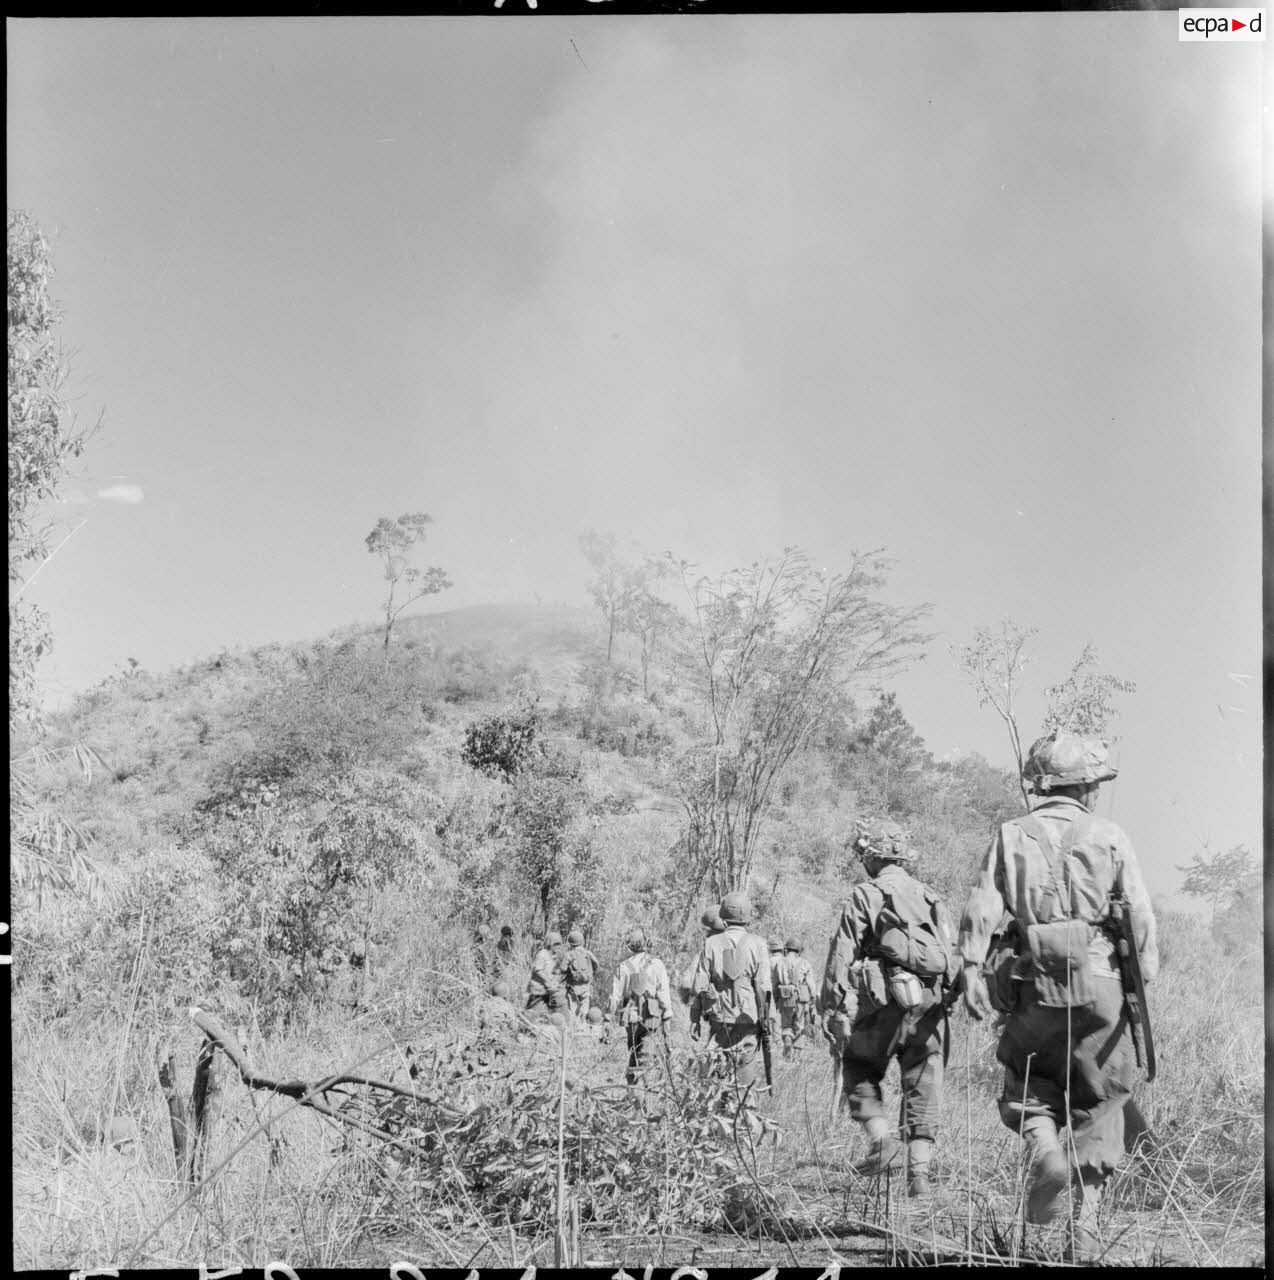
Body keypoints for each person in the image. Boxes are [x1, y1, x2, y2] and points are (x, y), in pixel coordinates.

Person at [959, 731, 1158, 1260]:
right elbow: (1138, 918)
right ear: (1088, 786)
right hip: (1101, 983)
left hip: (1032, 984)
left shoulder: (1010, 834)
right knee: (1102, 1102)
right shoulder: (1110, 834)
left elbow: (982, 907)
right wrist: (1140, 982)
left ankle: (1046, 1150)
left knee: (1029, 1081)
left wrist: (972, 971)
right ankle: (1084, 1235)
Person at [819, 818, 956, 1198]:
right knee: (923, 1085)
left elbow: (841, 954)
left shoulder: (865, 894)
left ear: (871, 857)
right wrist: (947, 1002)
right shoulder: (930, 895)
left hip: (881, 1002)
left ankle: (882, 1142)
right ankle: (920, 1180)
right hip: (929, 1005)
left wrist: (834, 1008)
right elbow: (951, 955)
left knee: (859, 1068)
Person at [686, 891, 772, 1094]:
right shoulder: (758, 944)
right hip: (749, 1021)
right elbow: (761, 987)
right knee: (743, 1085)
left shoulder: (711, 943)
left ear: (723, 916)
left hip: (719, 1019)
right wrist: (764, 1020)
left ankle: (716, 1119)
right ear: (747, 917)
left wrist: (695, 1019)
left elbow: (700, 984)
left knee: (715, 1082)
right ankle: (741, 1121)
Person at [609, 928, 673, 1086]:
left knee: (633, 1052)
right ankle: (642, 1097)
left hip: (630, 1018)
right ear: (647, 943)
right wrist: (667, 1017)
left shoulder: (623, 966)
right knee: (645, 1056)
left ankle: (632, 1090)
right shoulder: (656, 964)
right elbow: (663, 993)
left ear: (629, 946)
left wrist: (608, 1019)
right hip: (650, 1017)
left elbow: (614, 996)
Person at [774, 936, 817, 1059]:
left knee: (786, 1025)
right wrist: (813, 999)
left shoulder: (780, 962)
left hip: (785, 997)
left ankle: (787, 1040)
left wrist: (776, 998)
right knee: (800, 1025)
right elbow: (811, 984)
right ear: (799, 950)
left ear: (787, 949)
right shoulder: (804, 963)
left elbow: (775, 983)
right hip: (801, 1000)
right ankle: (797, 1057)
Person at [525, 931, 568, 1015]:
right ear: (549, 944)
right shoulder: (542, 954)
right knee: (532, 1011)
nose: (558, 947)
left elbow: (552, 970)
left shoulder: (554, 955)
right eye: (556, 944)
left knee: (555, 1010)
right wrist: (548, 982)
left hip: (548, 989)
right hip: (538, 989)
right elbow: (538, 970)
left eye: (559, 944)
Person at [563, 928, 599, 1016]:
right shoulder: (588, 953)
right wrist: (591, 975)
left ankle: (572, 1027)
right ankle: (583, 1026)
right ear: (582, 941)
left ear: (570, 942)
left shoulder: (568, 955)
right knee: (584, 1007)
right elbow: (596, 965)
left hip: (573, 986)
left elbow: (562, 969)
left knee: (571, 1007)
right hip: (586, 985)